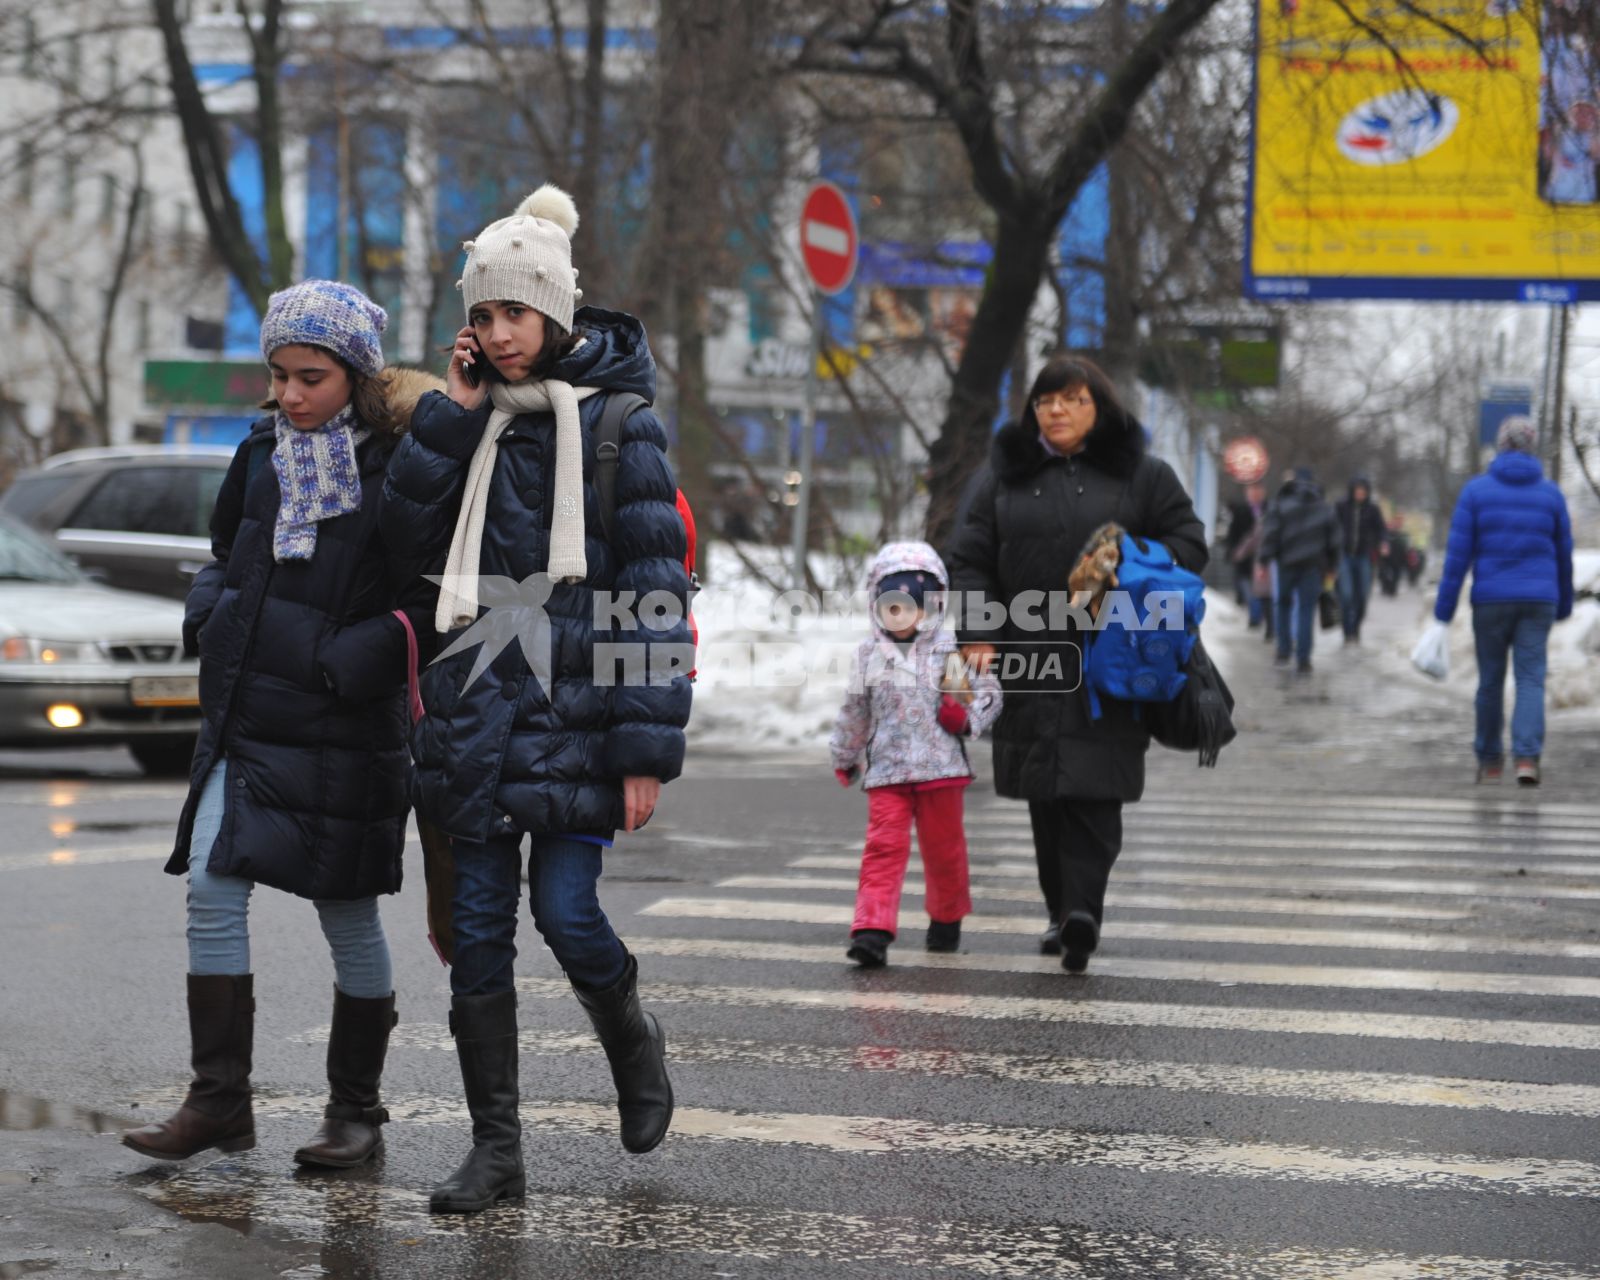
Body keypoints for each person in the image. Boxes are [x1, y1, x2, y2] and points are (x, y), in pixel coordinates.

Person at [382, 184, 690, 1214]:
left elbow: (654, 592)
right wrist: (451, 419)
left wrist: (644, 749)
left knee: (564, 912)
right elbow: (403, 548)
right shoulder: (464, 420)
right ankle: (496, 1150)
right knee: (477, 935)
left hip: (580, 721)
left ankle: (630, 1035)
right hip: (473, 713)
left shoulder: (617, 425)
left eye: (515, 311)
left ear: (555, 312)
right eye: (483, 314)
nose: (499, 331)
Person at [121, 281, 437, 1169]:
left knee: (348, 915)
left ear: (357, 374)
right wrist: (210, 613)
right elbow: (226, 553)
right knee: (212, 889)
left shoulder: (403, 464)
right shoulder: (260, 451)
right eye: (280, 375)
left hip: (344, 728)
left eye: (311, 377)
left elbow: (428, 602)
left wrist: (349, 661)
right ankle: (219, 1101)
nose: (291, 395)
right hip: (248, 717)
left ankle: (356, 1114)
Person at [944, 354, 1206, 973]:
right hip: (1030, 652)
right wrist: (979, 629)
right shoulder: (1002, 478)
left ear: (1099, 407)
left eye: (1071, 399)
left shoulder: (1143, 476)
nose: (1056, 410)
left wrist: (1130, 556)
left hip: (1111, 655)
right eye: (1045, 401)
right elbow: (969, 557)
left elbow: (1190, 544)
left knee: (1096, 787)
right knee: (1045, 791)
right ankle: (1061, 909)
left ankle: (1083, 910)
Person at [830, 542, 1002, 968]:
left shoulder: (947, 654)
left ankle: (946, 918)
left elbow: (988, 694)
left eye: (913, 608)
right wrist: (845, 754)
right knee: (882, 850)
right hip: (887, 773)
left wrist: (965, 720)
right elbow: (856, 711)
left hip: (942, 770)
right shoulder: (869, 656)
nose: (902, 617)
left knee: (944, 851)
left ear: (931, 607)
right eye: (892, 608)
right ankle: (871, 929)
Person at [1433, 416, 1574, 786]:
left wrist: (1444, 610)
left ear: (1500, 446)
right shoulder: (1551, 494)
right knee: (1530, 679)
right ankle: (1526, 759)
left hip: (1491, 600)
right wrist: (1564, 602)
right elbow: (1564, 554)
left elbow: (1457, 557)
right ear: (1531, 447)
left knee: (1490, 682)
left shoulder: (1476, 492)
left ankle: (1491, 760)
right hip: (1538, 600)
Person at [1258, 466, 1339, 674]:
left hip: (1286, 564)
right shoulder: (1323, 507)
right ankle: (1304, 659)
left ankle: (1283, 651)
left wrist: (1263, 561)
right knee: (1306, 610)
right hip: (1312, 566)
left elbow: (1271, 534)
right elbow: (1334, 540)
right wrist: (1332, 566)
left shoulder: (1281, 504)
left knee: (1282, 605)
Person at [1333, 475, 1386, 643]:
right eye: (1358, 490)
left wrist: (1383, 543)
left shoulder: (1373, 509)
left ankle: (1356, 627)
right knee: (1347, 594)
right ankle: (1347, 630)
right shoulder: (1341, 507)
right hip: (1345, 556)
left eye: (1363, 491)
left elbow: (1381, 529)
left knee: (1362, 595)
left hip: (1364, 556)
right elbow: (1331, 527)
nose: (1360, 494)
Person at [1223, 482, 1268, 627]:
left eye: (1257, 491)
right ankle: (1255, 615)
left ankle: (1258, 616)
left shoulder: (1269, 509)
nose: (1255, 494)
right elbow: (1233, 533)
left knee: (1260, 590)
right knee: (1248, 588)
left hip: (1262, 557)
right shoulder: (1241, 511)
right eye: (1252, 491)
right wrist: (1233, 551)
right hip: (1244, 558)